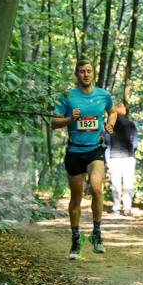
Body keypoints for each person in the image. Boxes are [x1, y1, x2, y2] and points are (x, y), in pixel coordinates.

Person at [52, 59, 115, 259]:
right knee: (76, 198)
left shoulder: (103, 95)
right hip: (74, 152)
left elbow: (112, 112)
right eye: (81, 71)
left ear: (93, 73)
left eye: (88, 71)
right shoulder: (67, 97)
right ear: (76, 74)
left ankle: (96, 234)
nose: (85, 74)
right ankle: (75, 239)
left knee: (97, 189)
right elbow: (54, 122)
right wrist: (70, 119)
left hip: (95, 150)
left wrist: (109, 124)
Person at [105, 101, 139, 217]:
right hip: (128, 157)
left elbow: (107, 142)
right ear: (124, 111)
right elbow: (135, 143)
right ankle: (127, 208)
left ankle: (116, 208)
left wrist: (107, 158)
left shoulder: (110, 125)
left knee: (116, 183)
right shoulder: (131, 124)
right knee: (128, 183)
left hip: (114, 157)